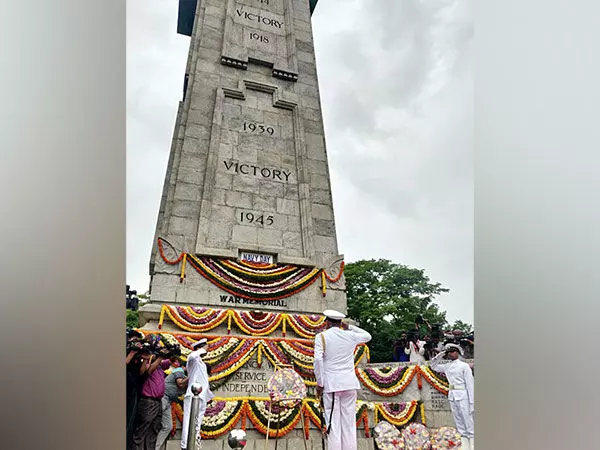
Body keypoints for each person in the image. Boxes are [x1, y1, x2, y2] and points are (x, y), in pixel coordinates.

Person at [313, 309, 372, 450]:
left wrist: (320, 383)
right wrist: (349, 327)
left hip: (332, 385)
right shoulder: (350, 335)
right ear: (340, 322)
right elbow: (367, 336)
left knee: (333, 424)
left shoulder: (321, 337)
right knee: (349, 423)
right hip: (349, 383)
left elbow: (318, 360)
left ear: (327, 322)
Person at [429, 343, 475, 450]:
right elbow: (433, 366)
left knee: (468, 420)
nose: (451, 354)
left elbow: (470, 384)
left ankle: (472, 444)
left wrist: (472, 402)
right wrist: (440, 355)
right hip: (453, 395)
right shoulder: (447, 366)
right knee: (458, 420)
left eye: (453, 352)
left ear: (457, 353)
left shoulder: (464, 366)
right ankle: (465, 444)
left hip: (463, 395)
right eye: (449, 352)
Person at [132, 345, 171, 450]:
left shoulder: (160, 366)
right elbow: (147, 371)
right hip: (148, 402)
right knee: (142, 429)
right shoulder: (147, 364)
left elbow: (170, 361)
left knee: (154, 429)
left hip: (158, 402)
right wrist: (158, 357)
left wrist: (170, 352)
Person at [181, 338, 214, 450]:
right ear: (199, 348)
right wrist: (202, 350)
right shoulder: (193, 360)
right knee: (188, 420)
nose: (207, 350)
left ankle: (194, 443)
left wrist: (209, 396)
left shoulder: (202, 364)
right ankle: (185, 445)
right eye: (205, 348)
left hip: (202, 395)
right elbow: (192, 356)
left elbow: (204, 381)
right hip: (192, 394)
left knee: (197, 421)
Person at [155, 358, 188, 449]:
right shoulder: (179, 370)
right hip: (163, 398)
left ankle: (155, 447)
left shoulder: (184, 375)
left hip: (169, 401)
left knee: (168, 426)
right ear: (185, 366)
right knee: (155, 422)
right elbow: (180, 383)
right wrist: (191, 377)